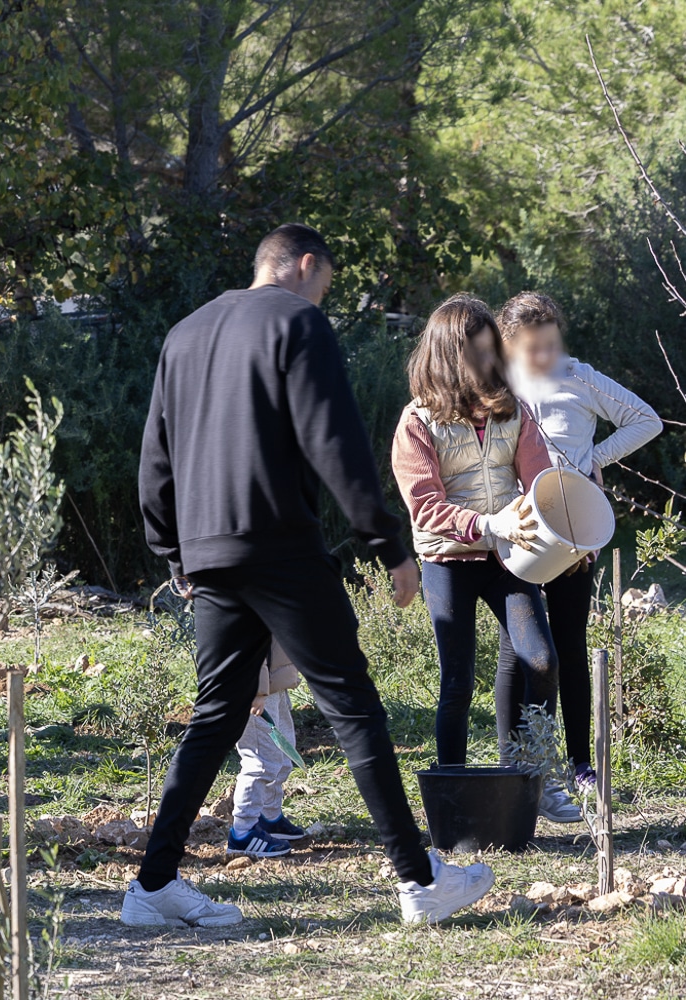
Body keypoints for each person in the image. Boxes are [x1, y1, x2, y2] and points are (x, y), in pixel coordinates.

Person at [131, 224, 496, 929]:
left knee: (215, 715)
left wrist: (173, 554)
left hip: (208, 552)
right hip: (277, 546)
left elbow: (156, 455)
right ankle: (420, 882)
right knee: (353, 704)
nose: (322, 298)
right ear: (304, 266)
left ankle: (151, 886)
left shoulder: (185, 333)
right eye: (325, 285)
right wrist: (388, 544)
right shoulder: (298, 320)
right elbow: (333, 439)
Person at [391, 294, 562, 805]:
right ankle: (452, 792)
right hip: (447, 558)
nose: (491, 362)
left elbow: (538, 484)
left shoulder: (516, 411)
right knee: (457, 681)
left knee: (540, 661)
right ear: (449, 356)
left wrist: (565, 534)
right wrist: (491, 523)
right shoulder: (417, 422)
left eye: (493, 351)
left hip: (511, 556)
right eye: (479, 353)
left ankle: (534, 778)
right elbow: (425, 507)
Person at [495, 291, 661, 795]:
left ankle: (579, 764)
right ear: (508, 345)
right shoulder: (495, 385)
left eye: (550, 344)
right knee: (515, 651)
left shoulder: (579, 377)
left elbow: (646, 420)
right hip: (517, 530)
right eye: (532, 347)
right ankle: (517, 765)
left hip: (573, 534)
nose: (544, 356)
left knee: (568, 645)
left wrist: (594, 461)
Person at [226, 641, 307, 859]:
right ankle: (243, 831)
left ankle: (269, 817)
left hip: (273, 683)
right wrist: (257, 688)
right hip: (254, 688)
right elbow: (249, 638)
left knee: (282, 756)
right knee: (260, 762)